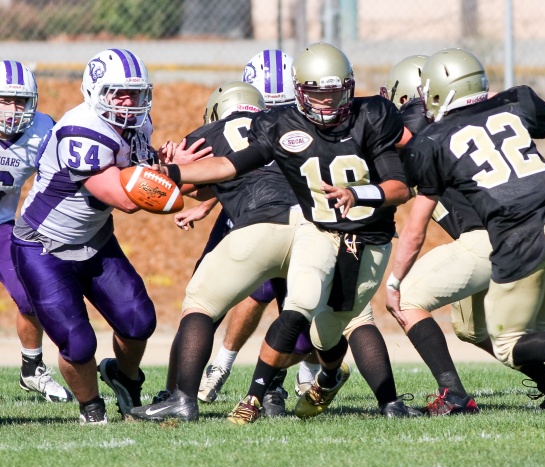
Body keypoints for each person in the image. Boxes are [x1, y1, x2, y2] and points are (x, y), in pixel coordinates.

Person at [130, 42, 417, 425]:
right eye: (319, 92)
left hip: (315, 232)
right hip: (319, 230)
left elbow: (228, 169)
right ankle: (289, 390)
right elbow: (234, 168)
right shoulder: (299, 121)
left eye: (335, 92)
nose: (328, 102)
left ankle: (186, 396)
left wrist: (173, 174)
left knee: (204, 300)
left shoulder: (339, 117)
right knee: (336, 318)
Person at [386, 48, 545, 407]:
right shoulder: (503, 107)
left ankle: (453, 394)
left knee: (408, 299)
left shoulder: (422, 136)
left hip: (497, 238)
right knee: (484, 329)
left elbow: (406, 203)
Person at [10, 48, 200, 424]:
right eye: (119, 93)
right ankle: (91, 408)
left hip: (95, 240)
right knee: (78, 343)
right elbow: (126, 198)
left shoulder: (138, 126)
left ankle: (124, 377)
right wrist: (175, 176)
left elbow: (147, 171)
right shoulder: (81, 131)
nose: (130, 103)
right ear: (95, 91)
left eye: (136, 93)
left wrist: (174, 167)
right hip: (43, 247)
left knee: (138, 321)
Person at [198, 49, 321, 410]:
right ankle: (207, 372)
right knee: (212, 297)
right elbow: (232, 166)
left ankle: (281, 379)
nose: (276, 115)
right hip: (249, 210)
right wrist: (206, 205)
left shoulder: (306, 121)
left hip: (296, 213)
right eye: (269, 107)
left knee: (296, 299)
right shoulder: (246, 122)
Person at [0, 60, 72, 403]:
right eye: (5, 100)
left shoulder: (43, 130)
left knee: (29, 296)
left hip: (2, 224)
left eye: (20, 101)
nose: (13, 110)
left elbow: (58, 176)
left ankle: (31, 369)